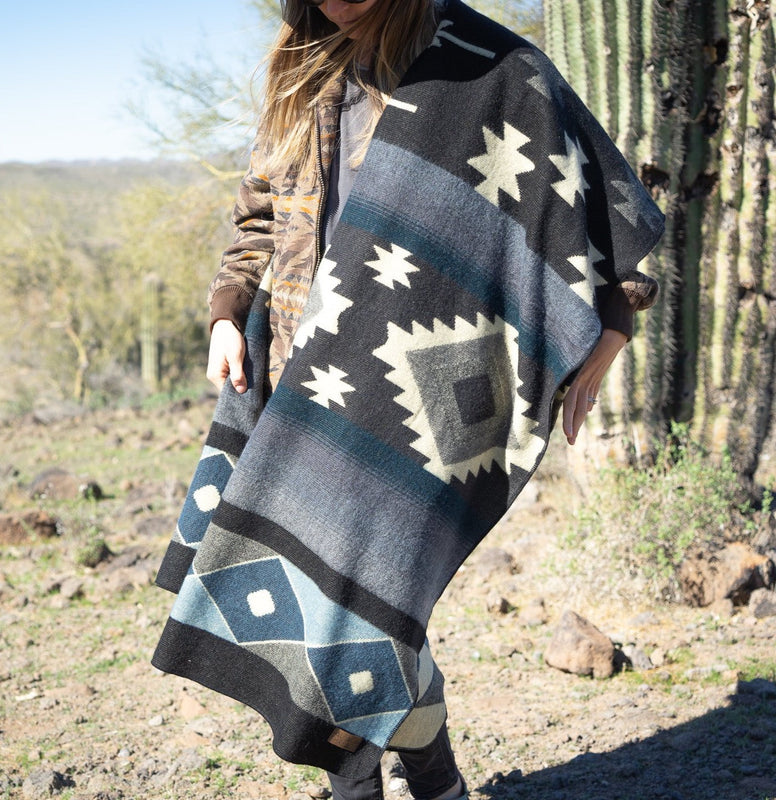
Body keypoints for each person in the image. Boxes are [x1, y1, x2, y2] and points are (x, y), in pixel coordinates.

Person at [152, 2, 664, 799]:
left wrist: (616, 315)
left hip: (413, 397)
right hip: (297, 378)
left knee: (362, 613)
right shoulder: (304, 69)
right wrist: (228, 312)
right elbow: (259, 216)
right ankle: (431, 781)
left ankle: (406, 784)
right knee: (352, 620)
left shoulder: (491, 66)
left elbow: (583, 201)